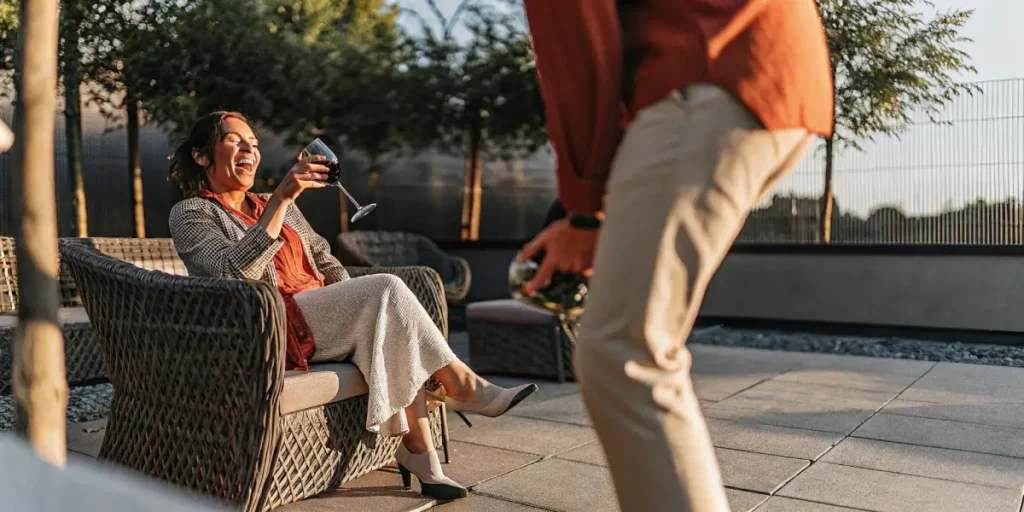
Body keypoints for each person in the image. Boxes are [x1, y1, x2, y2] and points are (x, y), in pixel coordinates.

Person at [519, 2, 834, 511]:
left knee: (625, 353)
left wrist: (584, 211)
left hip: (704, 68)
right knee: (631, 346)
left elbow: (575, 42)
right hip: (760, 63)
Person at [166, 111, 538, 502]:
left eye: (254, 144)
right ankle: (462, 388)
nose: (250, 150)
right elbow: (231, 275)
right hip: (269, 325)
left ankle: (420, 453)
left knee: (387, 312)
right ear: (201, 156)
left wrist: (353, 301)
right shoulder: (192, 213)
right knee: (387, 290)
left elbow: (324, 258)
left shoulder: (279, 206)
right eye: (234, 140)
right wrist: (278, 202)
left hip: (318, 313)